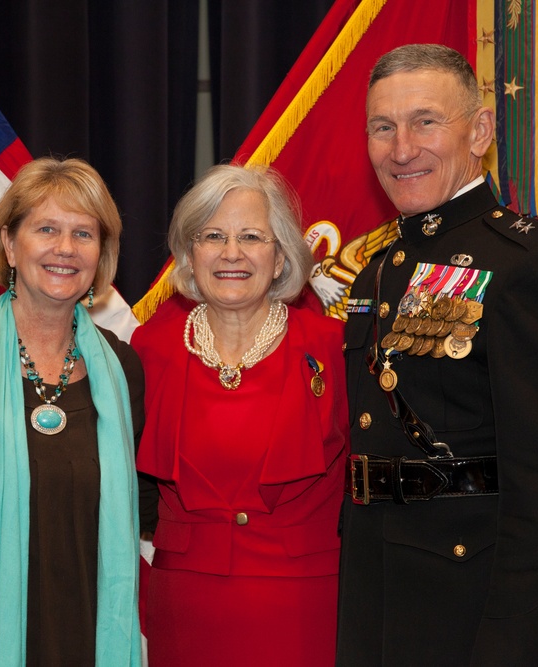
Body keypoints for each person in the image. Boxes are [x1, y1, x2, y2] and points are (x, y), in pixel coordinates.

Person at [337, 44, 538, 665]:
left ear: (481, 130)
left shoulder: (534, 266)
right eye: (383, 127)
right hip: (380, 607)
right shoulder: (375, 277)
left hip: (479, 617)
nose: (401, 147)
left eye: (426, 121)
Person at [0, 156, 148, 666]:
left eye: (84, 234)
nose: (66, 249)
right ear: (9, 245)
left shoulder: (121, 368)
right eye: (46, 229)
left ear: (101, 254)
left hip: (87, 636)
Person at [134, 164, 349, 665]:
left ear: (279, 259)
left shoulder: (334, 349)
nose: (232, 253)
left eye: (252, 236)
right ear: (190, 255)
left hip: (303, 605)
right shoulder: (150, 349)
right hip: (186, 607)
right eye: (213, 236)